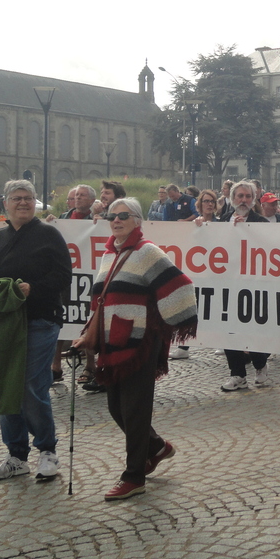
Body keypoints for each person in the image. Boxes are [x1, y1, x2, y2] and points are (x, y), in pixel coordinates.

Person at [72, 198, 197, 500]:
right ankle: (155, 447)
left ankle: (134, 476)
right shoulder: (110, 253)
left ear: (137, 221)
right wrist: (91, 331)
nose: (116, 220)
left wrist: (160, 321)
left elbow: (181, 285)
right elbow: (104, 299)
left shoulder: (146, 251)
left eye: (123, 216)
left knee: (135, 409)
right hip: (114, 341)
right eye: (111, 216)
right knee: (117, 407)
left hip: (140, 342)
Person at [0, 180, 72, 482]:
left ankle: (47, 450)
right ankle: (16, 455)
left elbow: (62, 277)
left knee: (30, 387)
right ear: (5, 203)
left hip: (39, 320)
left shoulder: (49, 235)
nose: (24, 203)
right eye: (17, 198)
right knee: (5, 386)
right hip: (2, 323)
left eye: (29, 198)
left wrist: (33, 289)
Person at [217, 182, 272, 387]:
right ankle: (237, 374)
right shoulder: (222, 221)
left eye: (248, 196)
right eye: (240, 196)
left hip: (253, 285)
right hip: (228, 284)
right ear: (232, 199)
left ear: (254, 199)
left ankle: (260, 364)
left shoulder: (261, 222)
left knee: (252, 329)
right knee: (229, 329)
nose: (243, 200)